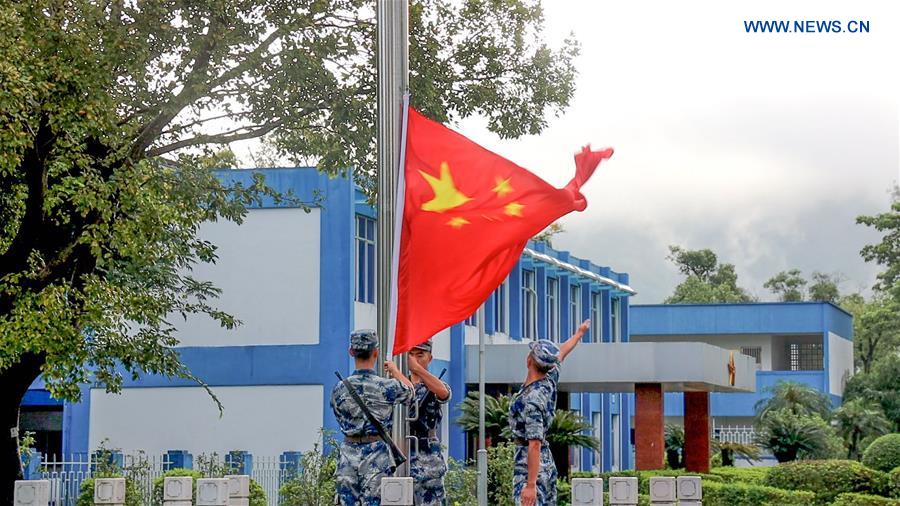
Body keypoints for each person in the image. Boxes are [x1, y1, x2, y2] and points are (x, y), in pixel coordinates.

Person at [509, 320, 590, 506]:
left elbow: (534, 443)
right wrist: (579, 333)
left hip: (530, 466)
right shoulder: (548, 380)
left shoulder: (531, 400)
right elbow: (561, 353)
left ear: (529, 360)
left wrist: (530, 485)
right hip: (544, 462)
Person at [331, 329, 415, 506]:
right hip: (377, 455)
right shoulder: (388, 386)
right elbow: (411, 393)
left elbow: (337, 413)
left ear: (351, 352)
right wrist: (395, 371)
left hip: (348, 454)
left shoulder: (339, 388)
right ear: (376, 352)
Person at [407, 340, 452, 506]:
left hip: (428, 458)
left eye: (420, 355)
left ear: (430, 358)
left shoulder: (434, 385)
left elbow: (444, 393)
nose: (415, 359)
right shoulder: (399, 386)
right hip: (403, 453)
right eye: (411, 355)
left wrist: (418, 369)